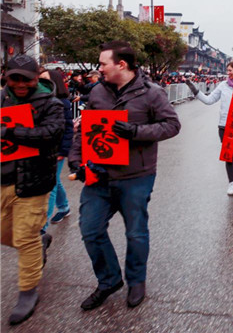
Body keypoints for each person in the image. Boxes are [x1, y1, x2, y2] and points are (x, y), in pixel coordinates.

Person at [69, 40, 181, 310]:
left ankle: (136, 280)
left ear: (121, 64)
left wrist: (136, 132)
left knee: (136, 233)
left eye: (102, 64)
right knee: (90, 230)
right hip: (100, 174)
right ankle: (108, 280)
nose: (99, 69)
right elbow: (86, 128)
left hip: (137, 176)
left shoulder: (152, 93)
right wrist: (76, 161)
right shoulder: (97, 92)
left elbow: (172, 125)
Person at [1, 55, 65, 325]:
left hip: (35, 180)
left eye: (25, 79)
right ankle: (41, 242)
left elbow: (52, 134)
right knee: (6, 235)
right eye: (13, 78)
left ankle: (28, 291)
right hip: (3, 178)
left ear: (36, 77)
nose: (19, 84)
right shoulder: (2, 98)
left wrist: (10, 132)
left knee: (25, 237)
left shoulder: (51, 104)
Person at [185, 60, 233, 199]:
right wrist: (194, 90)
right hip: (225, 127)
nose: (228, 73)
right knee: (229, 155)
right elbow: (209, 100)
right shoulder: (223, 86)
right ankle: (231, 183)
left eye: (230, 70)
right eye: (228, 70)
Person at [39, 69, 74, 229]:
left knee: (50, 185)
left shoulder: (63, 103)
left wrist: (62, 151)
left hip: (57, 150)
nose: (41, 83)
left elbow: (68, 130)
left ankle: (42, 228)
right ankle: (64, 206)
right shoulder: (38, 101)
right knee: (55, 181)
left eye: (45, 79)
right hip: (42, 148)